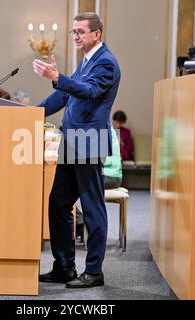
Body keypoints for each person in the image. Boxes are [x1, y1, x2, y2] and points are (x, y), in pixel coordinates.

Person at [33, 12, 121, 289]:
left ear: (96, 34)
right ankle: (64, 266)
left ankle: (94, 270)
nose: (76, 36)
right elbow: (64, 95)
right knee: (58, 203)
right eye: (74, 32)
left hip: (90, 141)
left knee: (92, 208)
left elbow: (88, 91)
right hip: (71, 142)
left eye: (81, 32)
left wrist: (59, 77)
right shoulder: (86, 61)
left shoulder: (105, 62)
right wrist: (29, 114)